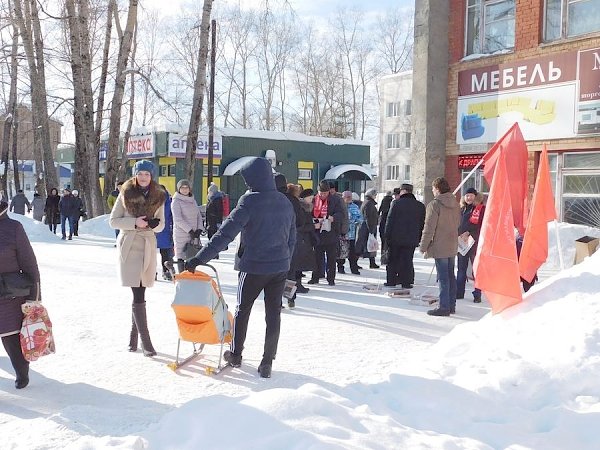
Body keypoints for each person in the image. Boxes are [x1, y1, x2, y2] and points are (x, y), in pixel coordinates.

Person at [185, 157, 295, 378]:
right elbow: (292, 237)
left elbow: (225, 233)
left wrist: (199, 258)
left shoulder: (249, 201)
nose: (246, 184)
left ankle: (235, 354)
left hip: (253, 267)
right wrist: (285, 259)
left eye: (247, 179)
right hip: (279, 267)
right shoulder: (284, 201)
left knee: (242, 310)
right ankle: (267, 362)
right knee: (273, 314)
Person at [109, 160, 165, 357]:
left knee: (141, 291)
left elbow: (161, 226)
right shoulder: (125, 194)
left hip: (148, 246)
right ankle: (146, 342)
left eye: (147, 174)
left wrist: (153, 223)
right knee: (138, 292)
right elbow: (113, 221)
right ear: (135, 175)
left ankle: (133, 339)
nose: (143, 177)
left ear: (152, 176)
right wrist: (135, 222)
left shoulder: (159, 196)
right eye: (140, 174)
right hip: (130, 246)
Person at [0, 200, 41, 389]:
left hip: (9, 294)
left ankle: (22, 370)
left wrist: (35, 298)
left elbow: (29, 264)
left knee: (11, 339)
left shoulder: (13, 228)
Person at [419, 177, 461, 316]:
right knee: (450, 276)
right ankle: (451, 305)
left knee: (443, 278)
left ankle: (444, 307)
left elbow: (429, 228)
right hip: (452, 244)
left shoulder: (434, 205)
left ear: (437, 189)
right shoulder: (455, 203)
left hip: (440, 244)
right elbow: (458, 224)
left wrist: (423, 246)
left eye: (433, 188)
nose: (432, 191)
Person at [384, 183, 426, 288]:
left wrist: (387, 236)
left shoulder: (396, 204)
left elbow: (390, 220)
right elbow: (422, 223)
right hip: (412, 238)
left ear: (403, 191)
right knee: (407, 260)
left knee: (393, 260)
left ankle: (391, 280)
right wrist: (419, 237)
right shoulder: (420, 206)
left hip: (395, 238)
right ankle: (406, 282)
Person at [283, 182, 315, 308]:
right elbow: (300, 222)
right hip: (293, 240)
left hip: (279, 240)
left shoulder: (278, 199)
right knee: (291, 272)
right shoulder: (295, 203)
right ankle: (290, 298)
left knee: (279, 273)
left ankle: (277, 301)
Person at [308, 180, 345, 286]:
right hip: (317, 233)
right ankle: (315, 277)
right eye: (321, 193)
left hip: (331, 232)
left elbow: (341, 213)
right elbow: (308, 213)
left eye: (325, 193)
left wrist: (333, 218)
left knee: (331, 258)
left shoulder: (335, 200)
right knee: (316, 257)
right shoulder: (314, 200)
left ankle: (331, 278)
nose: (323, 195)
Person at [456, 187, 485, 303]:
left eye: (471, 195)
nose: (469, 198)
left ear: (475, 196)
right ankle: (459, 292)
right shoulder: (461, 209)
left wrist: (469, 233)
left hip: (474, 242)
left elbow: (482, 226)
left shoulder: (480, 209)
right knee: (461, 269)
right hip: (462, 242)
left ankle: (477, 293)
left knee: (476, 269)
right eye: (467, 195)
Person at [171, 179, 203, 273]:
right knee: (181, 255)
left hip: (194, 234)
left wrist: (199, 229)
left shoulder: (193, 200)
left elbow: (198, 215)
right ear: (178, 189)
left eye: (186, 187)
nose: (184, 190)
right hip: (181, 233)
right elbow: (178, 219)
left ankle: (191, 275)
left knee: (192, 254)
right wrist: (190, 231)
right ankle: (182, 276)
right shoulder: (176, 201)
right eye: (182, 188)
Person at [337, 191, 363, 275]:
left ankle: (354, 268)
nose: (348, 199)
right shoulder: (340, 207)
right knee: (342, 252)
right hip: (342, 233)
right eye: (346, 197)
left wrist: (355, 222)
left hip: (352, 234)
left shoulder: (355, 207)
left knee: (352, 252)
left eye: (349, 197)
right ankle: (340, 267)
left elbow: (360, 218)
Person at [156, 185, 174, 281]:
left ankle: (166, 271)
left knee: (165, 253)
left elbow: (172, 216)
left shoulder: (169, 201)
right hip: (155, 228)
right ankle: (152, 272)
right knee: (150, 253)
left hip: (165, 230)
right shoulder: (153, 200)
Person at [358, 188, 380, 269]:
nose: (376, 196)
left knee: (369, 244)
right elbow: (368, 217)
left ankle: (372, 261)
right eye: (375, 194)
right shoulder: (369, 204)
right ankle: (370, 262)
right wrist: (371, 229)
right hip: (368, 227)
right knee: (366, 244)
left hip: (368, 227)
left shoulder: (367, 203)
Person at [378, 190, 394, 254]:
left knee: (383, 239)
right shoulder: (392, 200)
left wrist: (378, 213)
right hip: (389, 217)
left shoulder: (384, 199)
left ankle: (383, 253)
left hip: (383, 217)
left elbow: (381, 207)